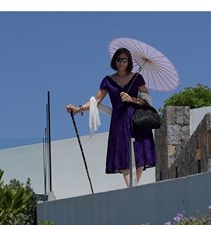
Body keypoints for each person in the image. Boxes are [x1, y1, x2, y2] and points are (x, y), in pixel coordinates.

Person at [66, 47, 156, 187]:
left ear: (128, 61)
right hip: (119, 121)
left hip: (136, 120)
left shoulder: (137, 78)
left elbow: (147, 100)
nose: (121, 62)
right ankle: (132, 189)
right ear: (115, 61)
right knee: (122, 155)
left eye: (124, 59)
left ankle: (134, 188)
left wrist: (131, 99)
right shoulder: (108, 80)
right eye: (118, 59)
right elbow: (96, 100)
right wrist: (78, 109)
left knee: (140, 154)